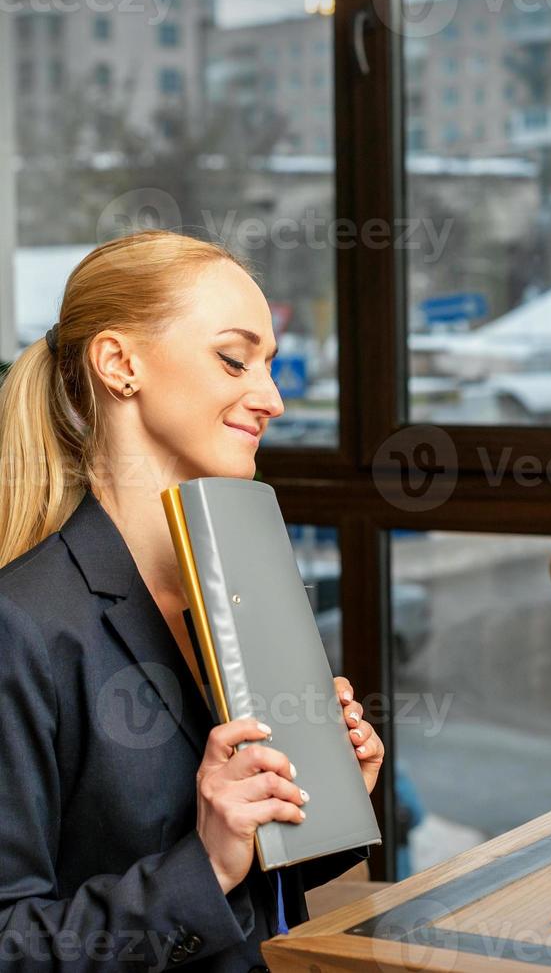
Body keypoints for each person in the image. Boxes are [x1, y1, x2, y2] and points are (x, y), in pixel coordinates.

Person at [0, 230, 384, 972]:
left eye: (271, 364)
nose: (271, 398)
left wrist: (316, 803)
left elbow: (242, 902)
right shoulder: (23, 625)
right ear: (120, 364)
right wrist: (203, 863)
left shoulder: (230, 586)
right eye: (235, 359)